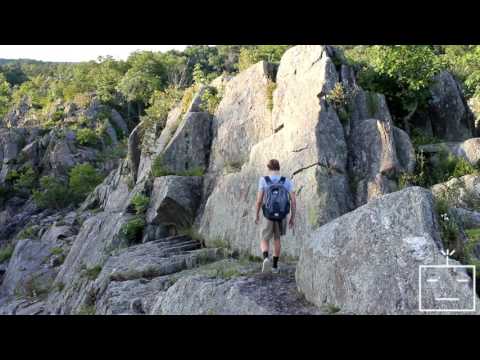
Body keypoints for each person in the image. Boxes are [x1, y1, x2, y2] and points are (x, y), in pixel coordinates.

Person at [255, 159, 296, 273]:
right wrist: (292, 217)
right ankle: (274, 266)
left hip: (268, 214)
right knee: (277, 239)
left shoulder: (264, 180)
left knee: (264, 238)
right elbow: (293, 201)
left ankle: (265, 258)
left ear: (268, 168)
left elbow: (259, 201)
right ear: (279, 168)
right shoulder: (286, 181)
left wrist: (257, 214)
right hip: (281, 215)